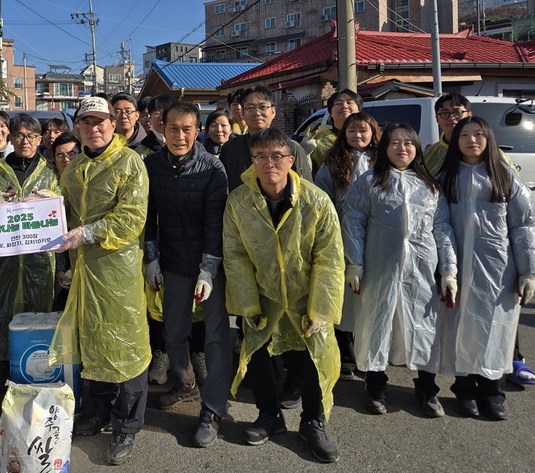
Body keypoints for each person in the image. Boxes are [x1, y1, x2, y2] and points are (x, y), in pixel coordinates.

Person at [224, 128, 343, 463]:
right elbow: (235, 255)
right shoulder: (239, 201)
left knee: (313, 357)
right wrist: (247, 302)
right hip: (264, 293)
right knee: (259, 353)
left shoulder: (316, 201)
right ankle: (269, 416)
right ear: (252, 161)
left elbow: (329, 258)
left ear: (291, 160)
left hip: (307, 295)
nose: (269, 163)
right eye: (261, 156)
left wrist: (321, 307)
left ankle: (313, 422)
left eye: (277, 156)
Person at [50, 96, 150, 466]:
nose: (94, 128)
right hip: (84, 272)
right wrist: (43, 205)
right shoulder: (73, 168)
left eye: (100, 121)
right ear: (77, 128)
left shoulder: (130, 163)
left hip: (118, 271)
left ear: (113, 123)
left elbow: (131, 218)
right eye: (86, 122)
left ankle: (127, 425)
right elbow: (61, 211)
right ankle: (99, 411)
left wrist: (86, 233)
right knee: (91, 341)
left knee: (127, 346)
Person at [341, 123, 457, 418]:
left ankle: (427, 389)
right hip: (379, 269)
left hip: (421, 272)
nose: (401, 148)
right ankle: (376, 386)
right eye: (394, 143)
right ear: (384, 148)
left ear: (417, 148)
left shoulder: (429, 186)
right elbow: (353, 221)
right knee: (376, 325)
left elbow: (442, 229)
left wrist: (449, 270)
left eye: (408, 143)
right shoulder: (368, 182)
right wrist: (354, 262)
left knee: (423, 328)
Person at [436, 116, 535, 420]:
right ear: (455, 141)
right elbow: (440, 225)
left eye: (479, 135)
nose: (472, 140)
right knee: (461, 328)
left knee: (497, 328)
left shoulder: (505, 177)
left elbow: (524, 227)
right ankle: (465, 389)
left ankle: (492, 392)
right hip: (459, 265)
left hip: (499, 269)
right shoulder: (446, 178)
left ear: (488, 139)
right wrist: (448, 269)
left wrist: (529, 271)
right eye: (465, 135)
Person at [142, 102, 231, 448]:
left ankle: (212, 409)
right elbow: (147, 216)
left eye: (187, 129)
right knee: (174, 332)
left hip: (211, 264)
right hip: (173, 261)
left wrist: (208, 271)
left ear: (198, 131)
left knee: (216, 338)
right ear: (162, 128)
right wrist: (151, 259)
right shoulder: (150, 165)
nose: (180, 135)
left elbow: (215, 224)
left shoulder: (212, 168)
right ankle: (184, 381)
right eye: (173, 128)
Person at [0, 114, 61, 363]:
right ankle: (1, 368)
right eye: (20, 136)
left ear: (40, 139)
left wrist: (52, 200)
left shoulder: (51, 172)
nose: (26, 141)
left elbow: (62, 210)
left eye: (32, 136)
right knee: (0, 313)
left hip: (40, 260)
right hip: (3, 260)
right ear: (11, 138)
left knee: (39, 314)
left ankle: (36, 366)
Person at [313, 112, 380, 381]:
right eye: (352, 131)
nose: (358, 135)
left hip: (376, 238)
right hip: (340, 236)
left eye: (363, 130)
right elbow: (322, 197)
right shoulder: (333, 162)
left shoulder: (382, 161)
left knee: (371, 296)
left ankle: (369, 355)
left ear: (373, 133)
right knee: (343, 297)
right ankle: (347, 353)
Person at [219, 86, 312, 191]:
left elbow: (306, 190)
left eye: (262, 107)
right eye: (250, 108)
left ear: (273, 112)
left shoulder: (292, 148)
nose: (257, 113)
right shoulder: (230, 148)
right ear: (243, 114)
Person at [423, 93, 517, 177]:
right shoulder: (428, 156)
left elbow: (514, 188)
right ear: (436, 118)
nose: (451, 117)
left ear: (469, 115)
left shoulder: (492, 153)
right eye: (444, 113)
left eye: (457, 112)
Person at [50, 132, 81, 310]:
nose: (66, 159)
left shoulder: (89, 184)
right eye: (60, 155)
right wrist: (61, 269)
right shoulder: (50, 186)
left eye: (71, 154)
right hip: (61, 263)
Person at [305, 89, 363, 172]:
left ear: (359, 110)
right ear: (330, 113)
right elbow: (307, 173)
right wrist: (304, 154)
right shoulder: (317, 140)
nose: (344, 106)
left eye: (349, 102)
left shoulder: (370, 135)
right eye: (338, 103)